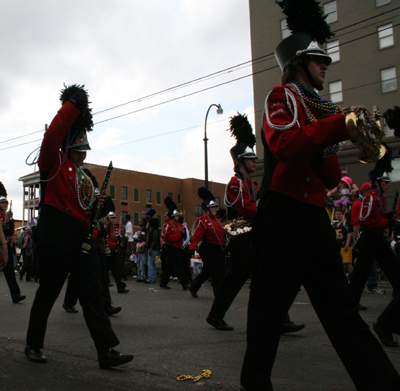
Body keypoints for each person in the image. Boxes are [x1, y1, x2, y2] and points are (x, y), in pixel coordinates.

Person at [240, 2, 400, 389]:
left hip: (313, 216)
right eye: (318, 59)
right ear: (298, 63)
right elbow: (284, 145)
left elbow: (329, 172)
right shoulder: (281, 98)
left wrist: (356, 134)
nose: (325, 65)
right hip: (282, 213)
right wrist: (335, 125)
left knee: (341, 311)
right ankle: (255, 380)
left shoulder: (321, 105)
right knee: (268, 307)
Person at [25, 84, 133, 369]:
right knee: (48, 291)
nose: (82, 155)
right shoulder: (54, 160)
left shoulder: (85, 177)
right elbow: (52, 135)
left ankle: (106, 351)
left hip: (82, 237)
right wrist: (73, 105)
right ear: (69, 146)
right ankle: (33, 344)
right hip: (57, 234)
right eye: (78, 149)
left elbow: (86, 210)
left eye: (84, 151)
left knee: (92, 295)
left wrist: (98, 208)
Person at [207, 113, 303, 333]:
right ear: (240, 161)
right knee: (236, 278)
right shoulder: (235, 184)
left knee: (268, 275)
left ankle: (280, 319)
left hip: (255, 234)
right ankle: (215, 314)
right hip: (242, 238)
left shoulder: (252, 184)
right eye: (251, 158)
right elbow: (249, 208)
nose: (255, 161)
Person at [350, 169, 400, 347]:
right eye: (385, 182)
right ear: (377, 182)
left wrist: (386, 218)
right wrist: (386, 222)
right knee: (361, 273)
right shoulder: (371, 197)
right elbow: (364, 218)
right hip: (370, 239)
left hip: (377, 239)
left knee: (387, 269)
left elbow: (376, 217)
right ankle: (351, 303)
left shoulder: (381, 197)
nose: (388, 184)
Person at [189, 187, 226, 298]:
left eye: (215, 207)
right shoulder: (203, 220)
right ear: (207, 209)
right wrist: (192, 248)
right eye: (212, 207)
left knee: (207, 271)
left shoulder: (219, 221)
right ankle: (218, 294)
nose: (215, 209)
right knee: (216, 270)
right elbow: (197, 236)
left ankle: (194, 287)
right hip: (207, 248)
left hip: (219, 248)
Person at [0, 183, 26, 303]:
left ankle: (16, 295)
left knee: (9, 270)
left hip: (6, 243)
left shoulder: (8, 216)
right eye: (2, 202)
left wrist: (10, 226)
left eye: (6, 203)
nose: (5, 204)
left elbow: (10, 232)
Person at [159, 197, 191, 290]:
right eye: (176, 215)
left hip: (178, 247)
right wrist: (180, 235)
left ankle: (163, 282)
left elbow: (183, 236)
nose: (178, 217)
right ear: (173, 216)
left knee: (171, 265)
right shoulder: (168, 225)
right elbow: (169, 237)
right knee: (178, 265)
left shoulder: (180, 225)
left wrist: (184, 234)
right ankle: (185, 283)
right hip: (171, 246)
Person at [106, 211, 129, 293]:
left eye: (114, 218)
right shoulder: (107, 227)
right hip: (107, 251)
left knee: (116, 270)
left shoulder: (114, 227)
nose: (113, 219)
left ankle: (120, 286)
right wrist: (114, 245)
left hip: (113, 251)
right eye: (111, 218)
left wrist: (118, 241)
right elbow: (106, 240)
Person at [333, 209, 353, 275]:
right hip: (339, 246)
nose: (338, 216)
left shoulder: (345, 224)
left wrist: (347, 244)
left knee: (347, 262)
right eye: (337, 214)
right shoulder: (335, 225)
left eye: (339, 214)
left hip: (344, 245)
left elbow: (349, 233)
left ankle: (352, 275)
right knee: (340, 263)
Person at [145, 217, 161, 284]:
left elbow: (154, 241)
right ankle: (153, 278)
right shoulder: (156, 230)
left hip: (153, 249)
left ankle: (151, 278)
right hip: (155, 249)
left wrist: (151, 248)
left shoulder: (154, 231)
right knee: (153, 264)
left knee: (150, 264)